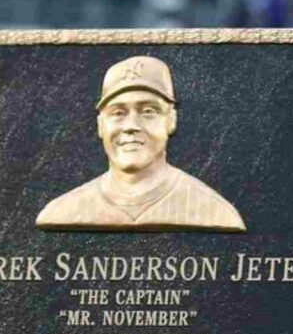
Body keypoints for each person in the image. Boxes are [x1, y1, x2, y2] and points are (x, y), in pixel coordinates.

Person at [36, 56, 246, 232]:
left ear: (171, 120)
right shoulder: (64, 211)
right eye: (118, 113)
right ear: (101, 125)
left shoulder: (213, 211)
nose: (131, 126)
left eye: (148, 111)